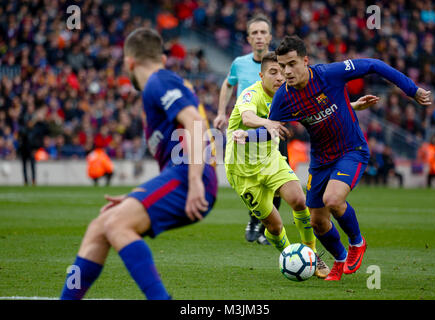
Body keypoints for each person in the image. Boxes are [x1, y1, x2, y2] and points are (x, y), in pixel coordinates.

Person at [238, 36, 431, 281]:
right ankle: (339, 260)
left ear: (305, 61)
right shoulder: (283, 98)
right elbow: (272, 129)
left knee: (332, 199)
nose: (286, 71)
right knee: (317, 221)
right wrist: (247, 136)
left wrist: (412, 90)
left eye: (292, 64)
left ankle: (357, 242)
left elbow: (374, 64)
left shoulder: (330, 74)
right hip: (320, 160)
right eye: (282, 66)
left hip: (351, 150)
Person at [60, 28, 217, 300]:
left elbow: (194, 122)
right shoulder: (159, 85)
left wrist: (193, 182)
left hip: (189, 175)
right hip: (178, 175)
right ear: (162, 58)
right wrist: (138, 197)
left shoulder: (158, 81)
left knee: (117, 225)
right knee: (100, 226)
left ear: (129, 61)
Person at [225, 52, 330, 278]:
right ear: (261, 75)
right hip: (243, 172)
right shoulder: (250, 94)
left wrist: (351, 105)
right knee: (274, 226)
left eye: (282, 72)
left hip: (271, 160)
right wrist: (268, 122)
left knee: (299, 201)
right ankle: (290, 256)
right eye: (273, 72)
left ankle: (311, 255)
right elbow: (248, 118)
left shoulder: (289, 94)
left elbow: (313, 108)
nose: (279, 77)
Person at [213, 14, 281, 245]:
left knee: (279, 184)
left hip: (274, 129)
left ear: (270, 36)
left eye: (263, 32)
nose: (259, 37)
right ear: (248, 38)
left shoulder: (280, 63)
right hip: (247, 132)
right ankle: (255, 221)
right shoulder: (239, 63)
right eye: (255, 33)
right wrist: (221, 112)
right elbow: (228, 83)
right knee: (252, 182)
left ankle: (267, 228)